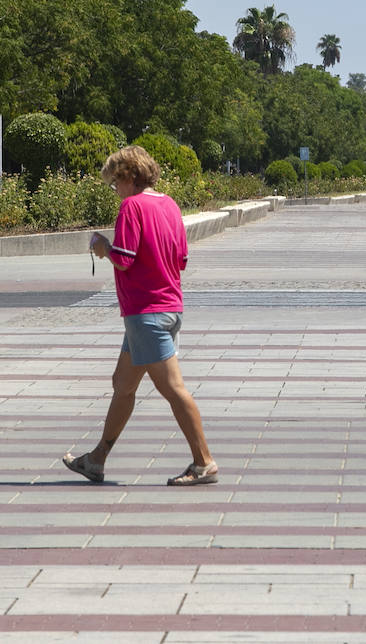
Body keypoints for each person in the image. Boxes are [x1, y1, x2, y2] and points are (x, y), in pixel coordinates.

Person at [62, 145, 218, 486]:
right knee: (123, 384)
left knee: (173, 388)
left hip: (146, 312)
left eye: (115, 181)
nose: (114, 189)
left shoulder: (132, 207)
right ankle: (96, 459)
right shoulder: (170, 205)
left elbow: (126, 258)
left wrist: (103, 248)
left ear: (130, 176)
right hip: (169, 307)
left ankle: (204, 462)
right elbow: (181, 261)